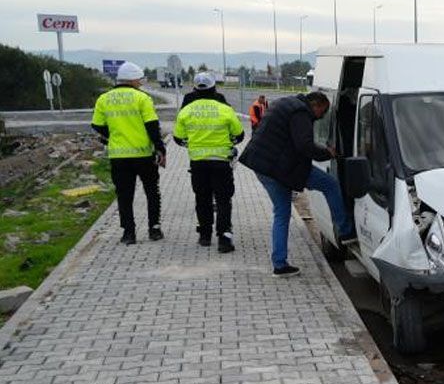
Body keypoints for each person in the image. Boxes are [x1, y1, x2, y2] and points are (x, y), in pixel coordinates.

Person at [238, 91, 355, 277]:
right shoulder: (301, 113)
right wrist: (328, 153)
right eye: (322, 112)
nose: (321, 117)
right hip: (279, 166)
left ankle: (279, 264)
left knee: (282, 213)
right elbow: (304, 145)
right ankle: (346, 231)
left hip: (264, 165)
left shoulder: (285, 103)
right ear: (315, 105)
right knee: (331, 184)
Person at [91, 61, 165, 244]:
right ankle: (154, 229)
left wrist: (113, 136)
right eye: (139, 80)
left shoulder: (104, 99)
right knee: (152, 192)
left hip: (119, 156)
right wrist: (160, 147)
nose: (141, 83)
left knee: (124, 195)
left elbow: (97, 125)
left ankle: (128, 233)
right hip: (143, 155)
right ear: (132, 80)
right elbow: (152, 125)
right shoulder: (142, 98)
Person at [173, 78, 244, 252]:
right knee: (223, 200)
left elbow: (178, 138)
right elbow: (239, 135)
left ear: (195, 91)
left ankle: (205, 235)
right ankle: (224, 238)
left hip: (198, 164)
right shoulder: (225, 109)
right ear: (215, 90)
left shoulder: (186, 111)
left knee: (202, 199)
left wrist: (191, 145)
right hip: (221, 163)